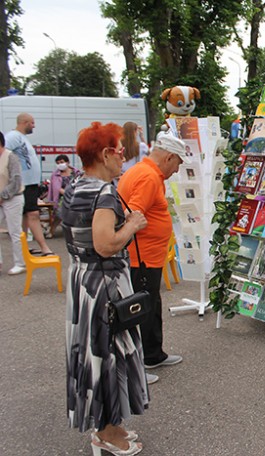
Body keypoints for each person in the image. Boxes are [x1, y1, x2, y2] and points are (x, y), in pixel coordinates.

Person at [60, 122, 148, 455]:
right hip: (103, 285)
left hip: (83, 282)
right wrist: (132, 225)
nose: (124, 154)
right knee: (110, 357)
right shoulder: (103, 192)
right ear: (105, 153)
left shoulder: (75, 184)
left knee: (95, 356)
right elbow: (106, 243)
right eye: (119, 148)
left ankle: (109, 426)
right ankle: (107, 433)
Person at [117, 132, 188, 373]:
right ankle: (140, 363)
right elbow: (133, 215)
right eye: (178, 163)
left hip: (146, 256)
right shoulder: (148, 177)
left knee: (149, 305)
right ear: (169, 157)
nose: (177, 170)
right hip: (142, 257)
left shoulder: (144, 172)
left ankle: (153, 354)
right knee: (141, 309)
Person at [5, 113, 53, 256]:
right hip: (24, 183)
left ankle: (23, 248)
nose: (34, 126)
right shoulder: (13, 137)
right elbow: (4, 153)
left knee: (26, 216)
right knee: (33, 214)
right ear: (24, 122)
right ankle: (44, 247)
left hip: (30, 183)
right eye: (32, 123)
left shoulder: (22, 138)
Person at [0, 131, 26, 275]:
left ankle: (20, 263)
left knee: (15, 232)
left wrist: (3, 196)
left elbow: (15, 181)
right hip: (1, 200)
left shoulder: (11, 157)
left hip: (13, 198)